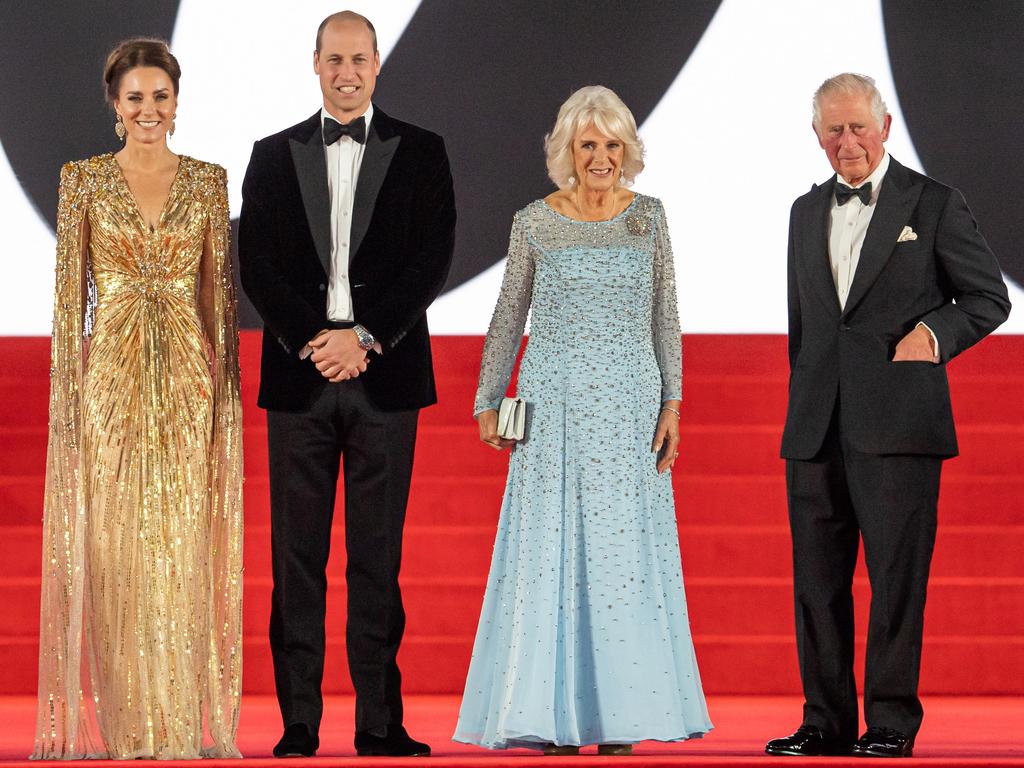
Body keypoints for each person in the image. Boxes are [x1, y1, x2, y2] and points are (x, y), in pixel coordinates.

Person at [453, 85, 712, 756]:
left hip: (630, 408)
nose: (600, 156)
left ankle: (618, 719)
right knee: (552, 557)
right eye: (587, 144)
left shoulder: (649, 217)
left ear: (628, 149)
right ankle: (553, 713)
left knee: (622, 562)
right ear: (567, 151)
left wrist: (674, 404)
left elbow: (666, 315)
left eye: (611, 144)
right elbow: (510, 315)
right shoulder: (534, 221)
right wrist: (487, 399)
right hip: (555, 405)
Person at [766, 73, 1010, 759]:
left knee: (897, 583)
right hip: (815, 426)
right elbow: (805, 326)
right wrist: (806, 398)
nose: (847, 143)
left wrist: (932, 336)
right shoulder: (802, 211)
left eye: (858, 128)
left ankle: (891, 724)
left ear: (886, 127)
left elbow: (988, 298)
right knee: (817, 585)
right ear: (817, 136)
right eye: (833, 130)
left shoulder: (933, 204)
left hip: (900, 425)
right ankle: (824, 723)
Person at [238, 10, 455, 759]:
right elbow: (255, 265)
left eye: (359, 58)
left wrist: (362, 338)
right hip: (300, 381)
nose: (347, 72)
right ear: (315, 63)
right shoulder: (271, 155)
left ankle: (379, 723)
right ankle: (298, 723)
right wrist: (313, 340)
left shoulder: (423, 152)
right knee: (295, 558)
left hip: (384, 375)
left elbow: (432, 260)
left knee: (377, 557)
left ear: (377, 63)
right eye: (334, 59)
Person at [32, 38, 243, 760]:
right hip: (111, 382)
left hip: (187, 379)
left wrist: (224, 402)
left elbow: (219, 300)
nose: (149, 110)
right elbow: (68, 306)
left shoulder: (210, 182)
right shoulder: (81, 181)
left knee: (179, 546)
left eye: (160, 96)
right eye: (135, 98)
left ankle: (179, 721)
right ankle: (128, 727)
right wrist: (69, 404)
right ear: (114, 107)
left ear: (177, 102)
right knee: (119, 549)